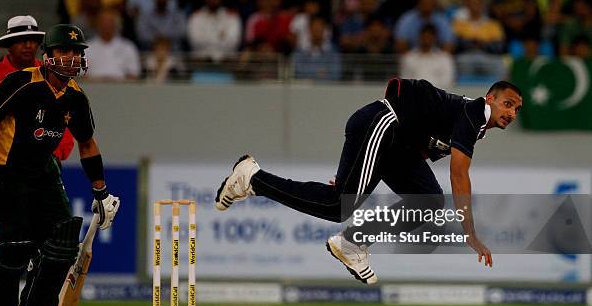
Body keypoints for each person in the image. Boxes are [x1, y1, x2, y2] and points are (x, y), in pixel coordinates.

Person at [215, 78, 523, 283]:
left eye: (516, 109)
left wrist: (350, 173)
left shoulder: (473, 124)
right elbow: (459, 174)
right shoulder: (474, 113)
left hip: (396, 145)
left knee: (428, 201)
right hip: (384, 124)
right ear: (490, 99)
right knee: (338, 206)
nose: (511, 112)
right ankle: (253, 178)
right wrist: (469, 232)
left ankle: (353, 241)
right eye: (507, 104)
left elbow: (420, 154)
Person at [0, 24, 120, 306]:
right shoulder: (23, 81)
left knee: (62, 246)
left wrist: (102, 191)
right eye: (64, 52)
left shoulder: (75, 97)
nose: (72, 58)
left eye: (77, 52)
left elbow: (87, 144)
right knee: (13, 250)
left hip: (45, 172)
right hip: (6, 171)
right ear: (49, 55)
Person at [0, 15, 76, 306]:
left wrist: (56, 154)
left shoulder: (51, 75)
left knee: (46, 250)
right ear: (9, 45)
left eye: (33, 40)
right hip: (2, 171)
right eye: (21, 40)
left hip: (44, 171)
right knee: (9, 246)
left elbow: (65, 121)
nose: (28, 45)